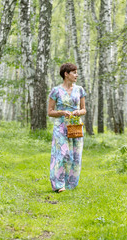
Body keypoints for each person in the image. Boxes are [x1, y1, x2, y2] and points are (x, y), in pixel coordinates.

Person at [47, 63, 86, 193]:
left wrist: (77, 112)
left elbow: (84, 109)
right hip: (61, 126)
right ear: (66, 74)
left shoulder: (79, 90)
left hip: (75, 125)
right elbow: (50, 111)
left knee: (75, 155)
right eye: (74, 72)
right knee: (62, 154)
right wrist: (62, 112)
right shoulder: (56, 91)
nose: (76, 75)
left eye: (76, 72)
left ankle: (70, 184)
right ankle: (59, 184)